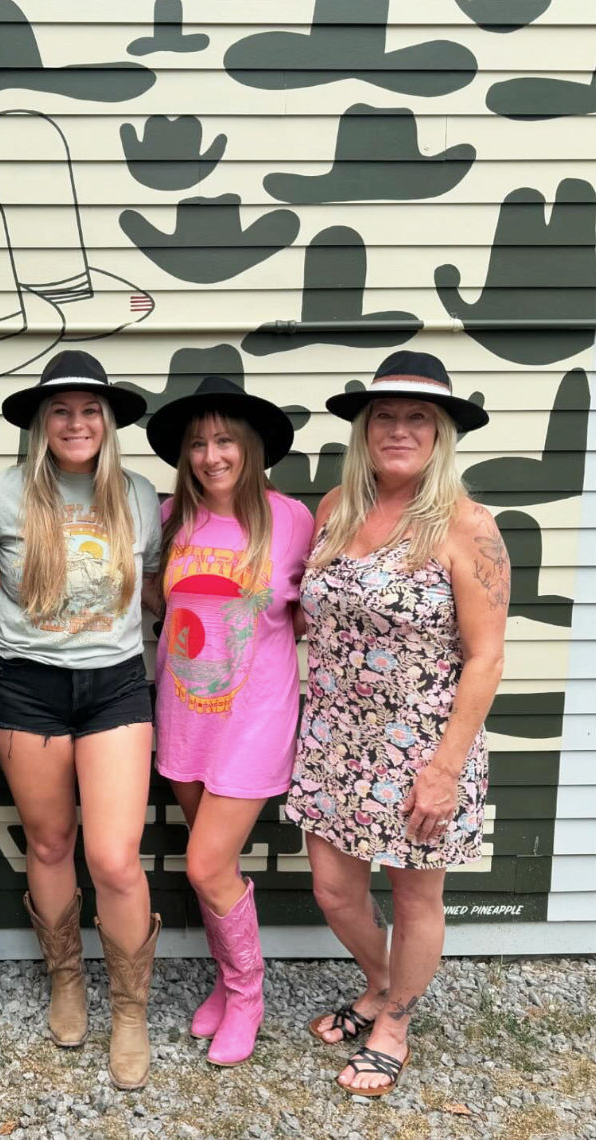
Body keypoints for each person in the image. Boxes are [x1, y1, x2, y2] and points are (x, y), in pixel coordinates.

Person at [286, 350, 507, 1097]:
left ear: (442, 433)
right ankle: (380, 983)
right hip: (332, 737)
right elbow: (310, 613)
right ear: (364, 429)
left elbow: (486, 657)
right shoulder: (334, 509)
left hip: (422, 744)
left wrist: (444, 770)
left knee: (414, 897)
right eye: (385, 416)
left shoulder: (467, 526)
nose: (400, 430)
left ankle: (395, 1024)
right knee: (332, 889)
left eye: (419, 417)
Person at [0, 349, 162, 1091]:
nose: (76, 423)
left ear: (106, 421)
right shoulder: (0, 494)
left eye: (89, 411)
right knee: (49, 843)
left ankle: (131, 1010)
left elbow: (153, 589)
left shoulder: (138, 495)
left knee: (113, 858)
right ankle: (67, 979)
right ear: (41, 423)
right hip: (24, 687)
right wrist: (36, 609)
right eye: (60, 411)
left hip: (115, 686)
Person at [144, 375, 311, 1067]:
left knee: (206, 862)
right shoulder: (167, 519)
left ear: (249, 447)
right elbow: (154, 604)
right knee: (217, 866)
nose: (210, 456)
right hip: (184, 713)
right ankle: (225, 979)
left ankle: (246, 995)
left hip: (255, 716)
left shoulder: (292, 520)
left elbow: (311, 618)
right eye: (196, 443)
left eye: (223, 441)